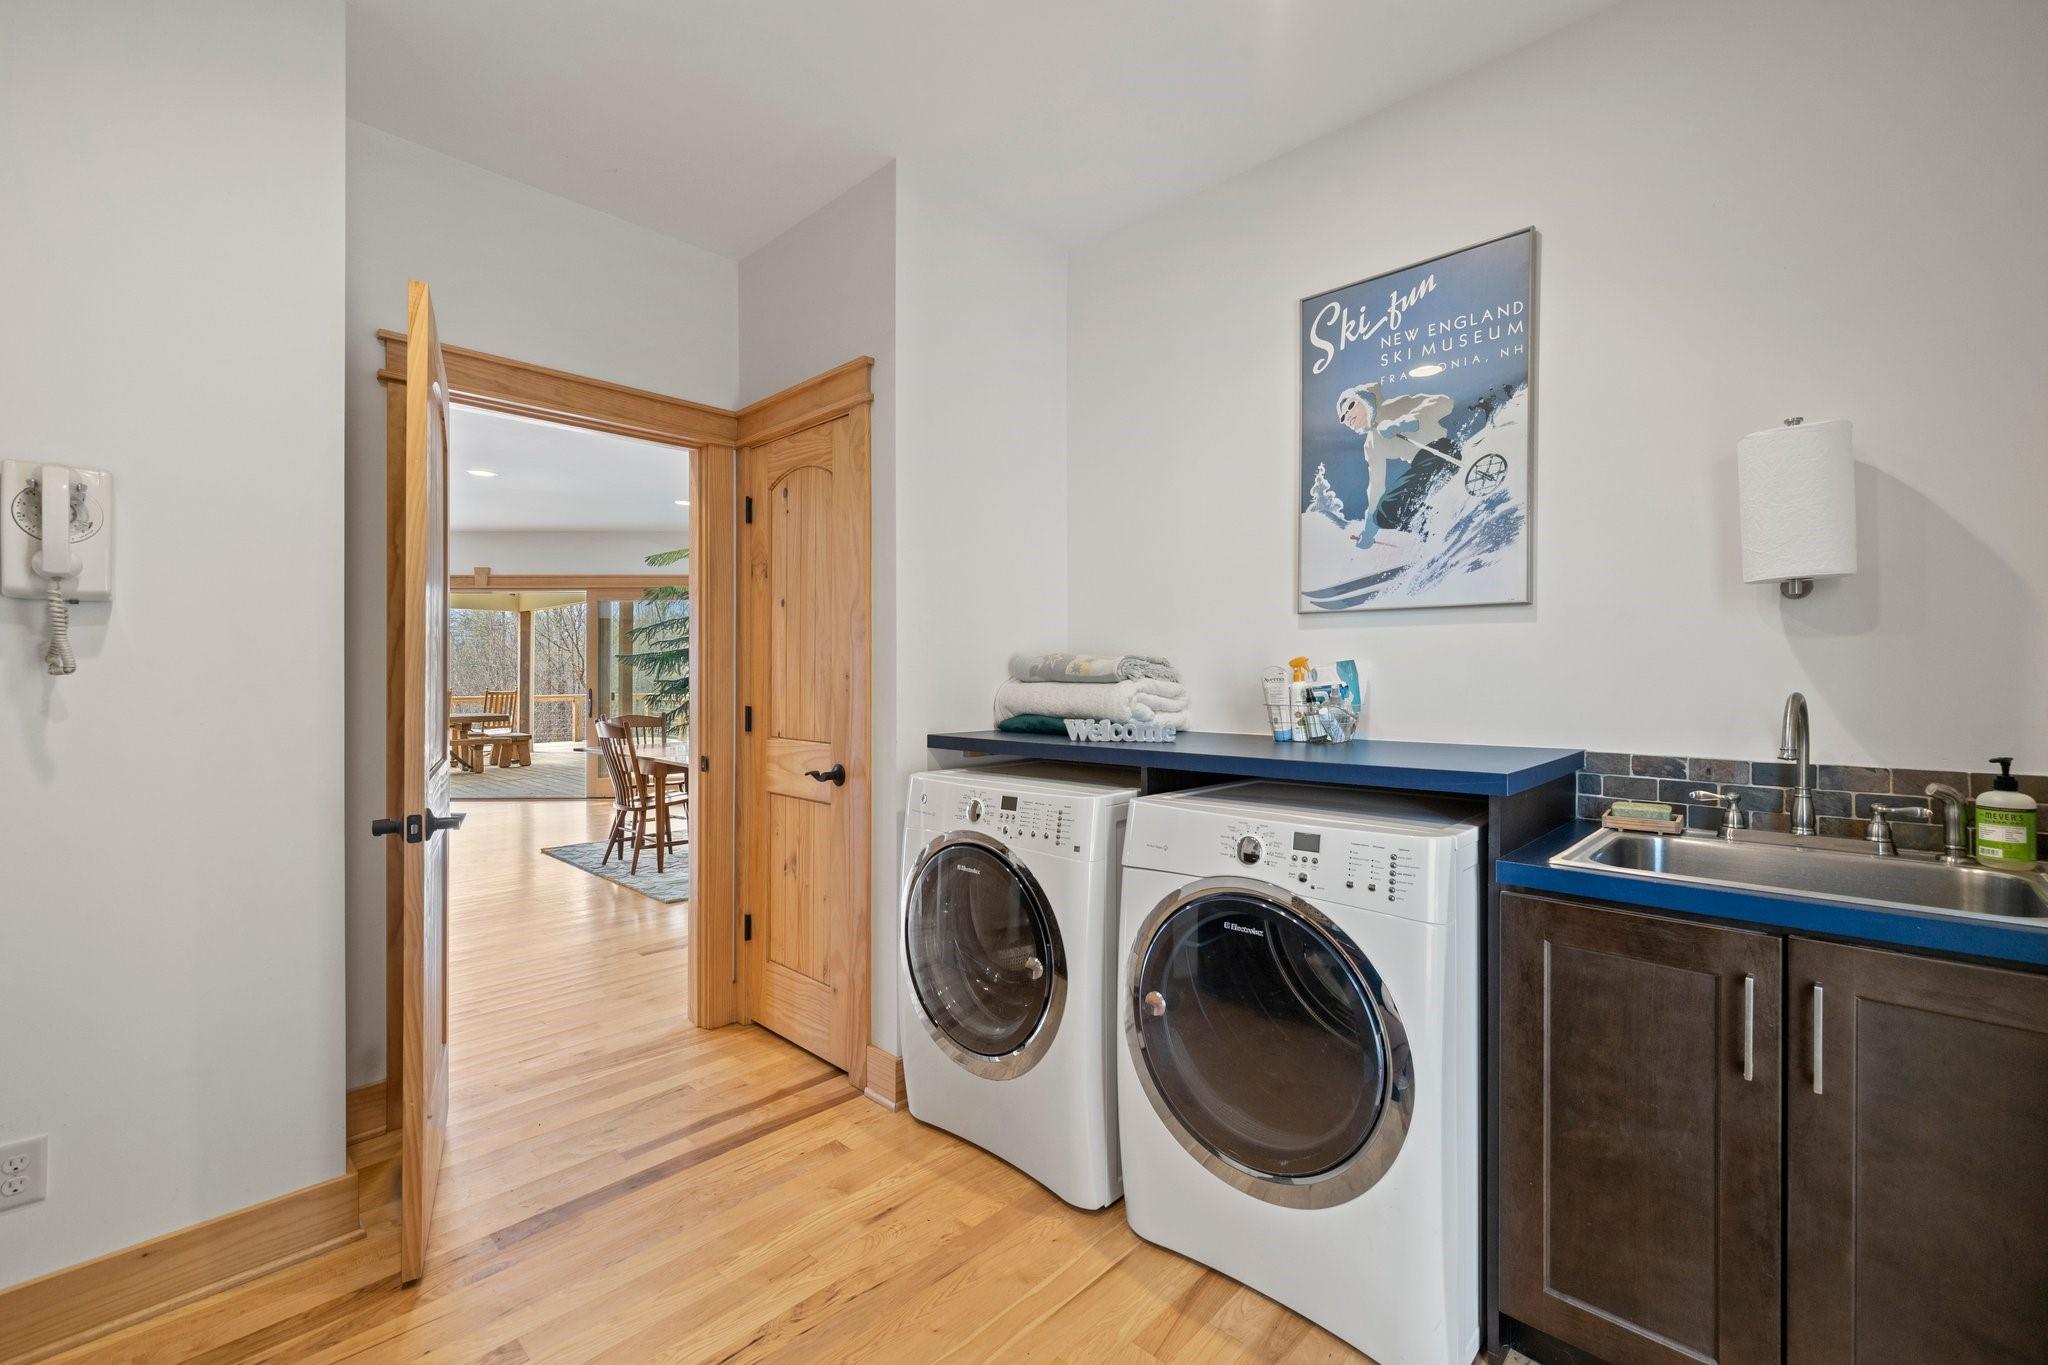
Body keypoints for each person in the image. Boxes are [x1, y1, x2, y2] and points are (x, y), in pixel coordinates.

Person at [1335, 382, 1456, 545]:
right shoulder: (1371, 445)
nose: (1348, 417)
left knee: (1389, 506)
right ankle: (1431, 528)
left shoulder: (1392, 406)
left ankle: (1437, 524)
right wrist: (1369, 534)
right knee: (1383, 514)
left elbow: (1445, 402)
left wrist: (1405, 422)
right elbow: (1376, 486)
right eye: (1343, 418)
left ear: (1363, 400)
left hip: (1440, 450)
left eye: (1350, 406)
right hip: (1421, 465)